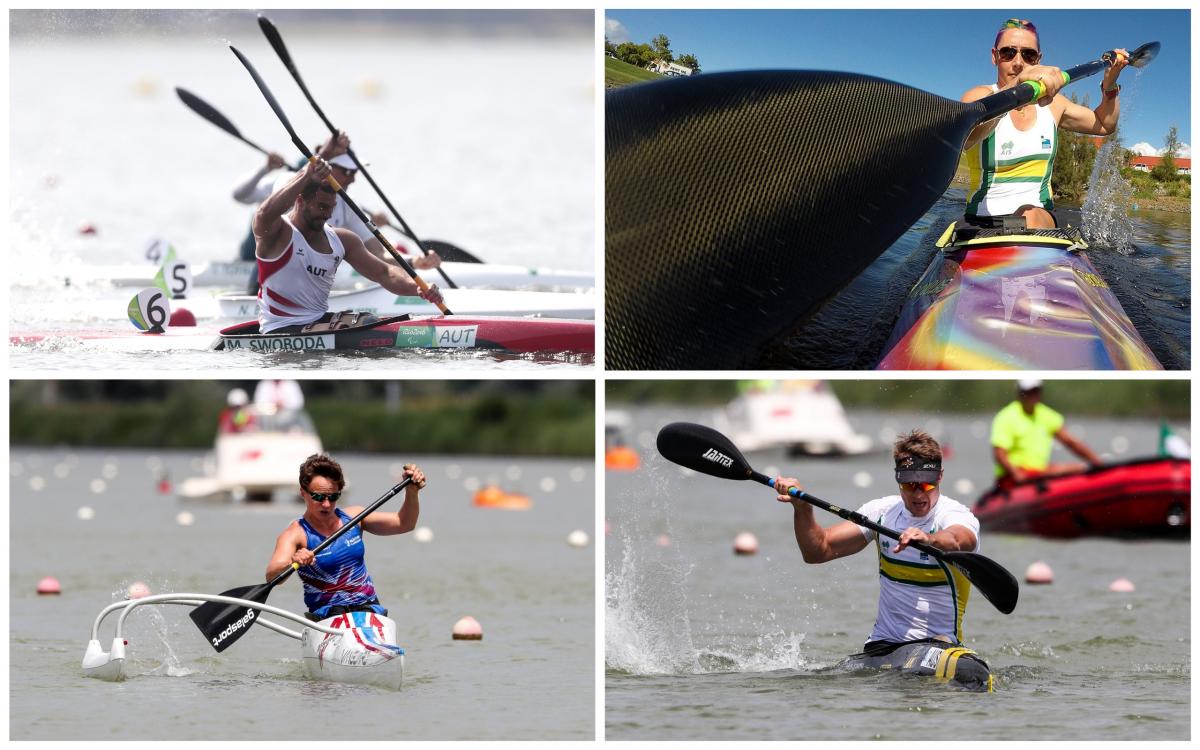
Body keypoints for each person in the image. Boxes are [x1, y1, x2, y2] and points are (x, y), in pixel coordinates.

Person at [775, 430, 980, 650]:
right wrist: (803, 509)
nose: (918, 494)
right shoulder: (881, 513)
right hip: (881, 647)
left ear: (939, 476)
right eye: (909, 485)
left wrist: (929, 539)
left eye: (926, 485)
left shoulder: (955, 515)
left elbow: (959, 540)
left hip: (938, 648)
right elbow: (817, 551)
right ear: (898, 479)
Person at [961, 18, 1132, 228]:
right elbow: (967, 135)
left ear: (1038, 60)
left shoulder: (1054, 105)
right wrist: (1018, 84)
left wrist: (1110, 83)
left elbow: (1104, 125)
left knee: (1028, 215)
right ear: (995, 57)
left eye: (1028, 55)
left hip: (1038, 219)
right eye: (1008, 52)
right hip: (980, 221)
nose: (1018, 62)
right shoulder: (978, 97)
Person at [253, 154, 444, 334]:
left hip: (316, 323)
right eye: (322, 206)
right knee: (361, 326)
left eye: (331, 207)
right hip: (280, 329)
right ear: (301, 201)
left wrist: (418, 287)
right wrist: (306, 174)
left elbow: (384, 272)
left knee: (368, 320)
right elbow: (263, 214)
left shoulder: (343, 240)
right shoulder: (277, 234)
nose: (327, 214)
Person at [234, 133, 441, 294]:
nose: (352, 179)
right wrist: (323, 154)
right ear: (327, 167)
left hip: (309, 299)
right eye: (347, 171)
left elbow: (378, 254)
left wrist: (415, 263)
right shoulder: (291, 182)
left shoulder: (347, 206)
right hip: (266, 289)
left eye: (355, 172)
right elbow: (270, 203)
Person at [266, 454, 427, 621]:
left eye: (333, 497)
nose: (326, 504)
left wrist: (412, 491)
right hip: (327, 616)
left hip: (369, 609)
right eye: (319, 497)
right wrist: (293, 561)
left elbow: (405, 523)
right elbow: (271, 576)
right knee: (337, 614)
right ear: (303, 493)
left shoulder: (355, 517)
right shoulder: (295, 534)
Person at [991, 379, 1103, 486]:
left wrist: (1097, 462)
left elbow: (1070, 442)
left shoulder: (1047, 415)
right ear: (1019, 393)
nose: (1032, 395)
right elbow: (999, 454)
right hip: (1013, 476)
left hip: (1038, 473)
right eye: (1028, 392)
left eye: (1035, 391)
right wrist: (1016, 473)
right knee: (1073, 469)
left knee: (1080, 468)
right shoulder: (1006, 417)